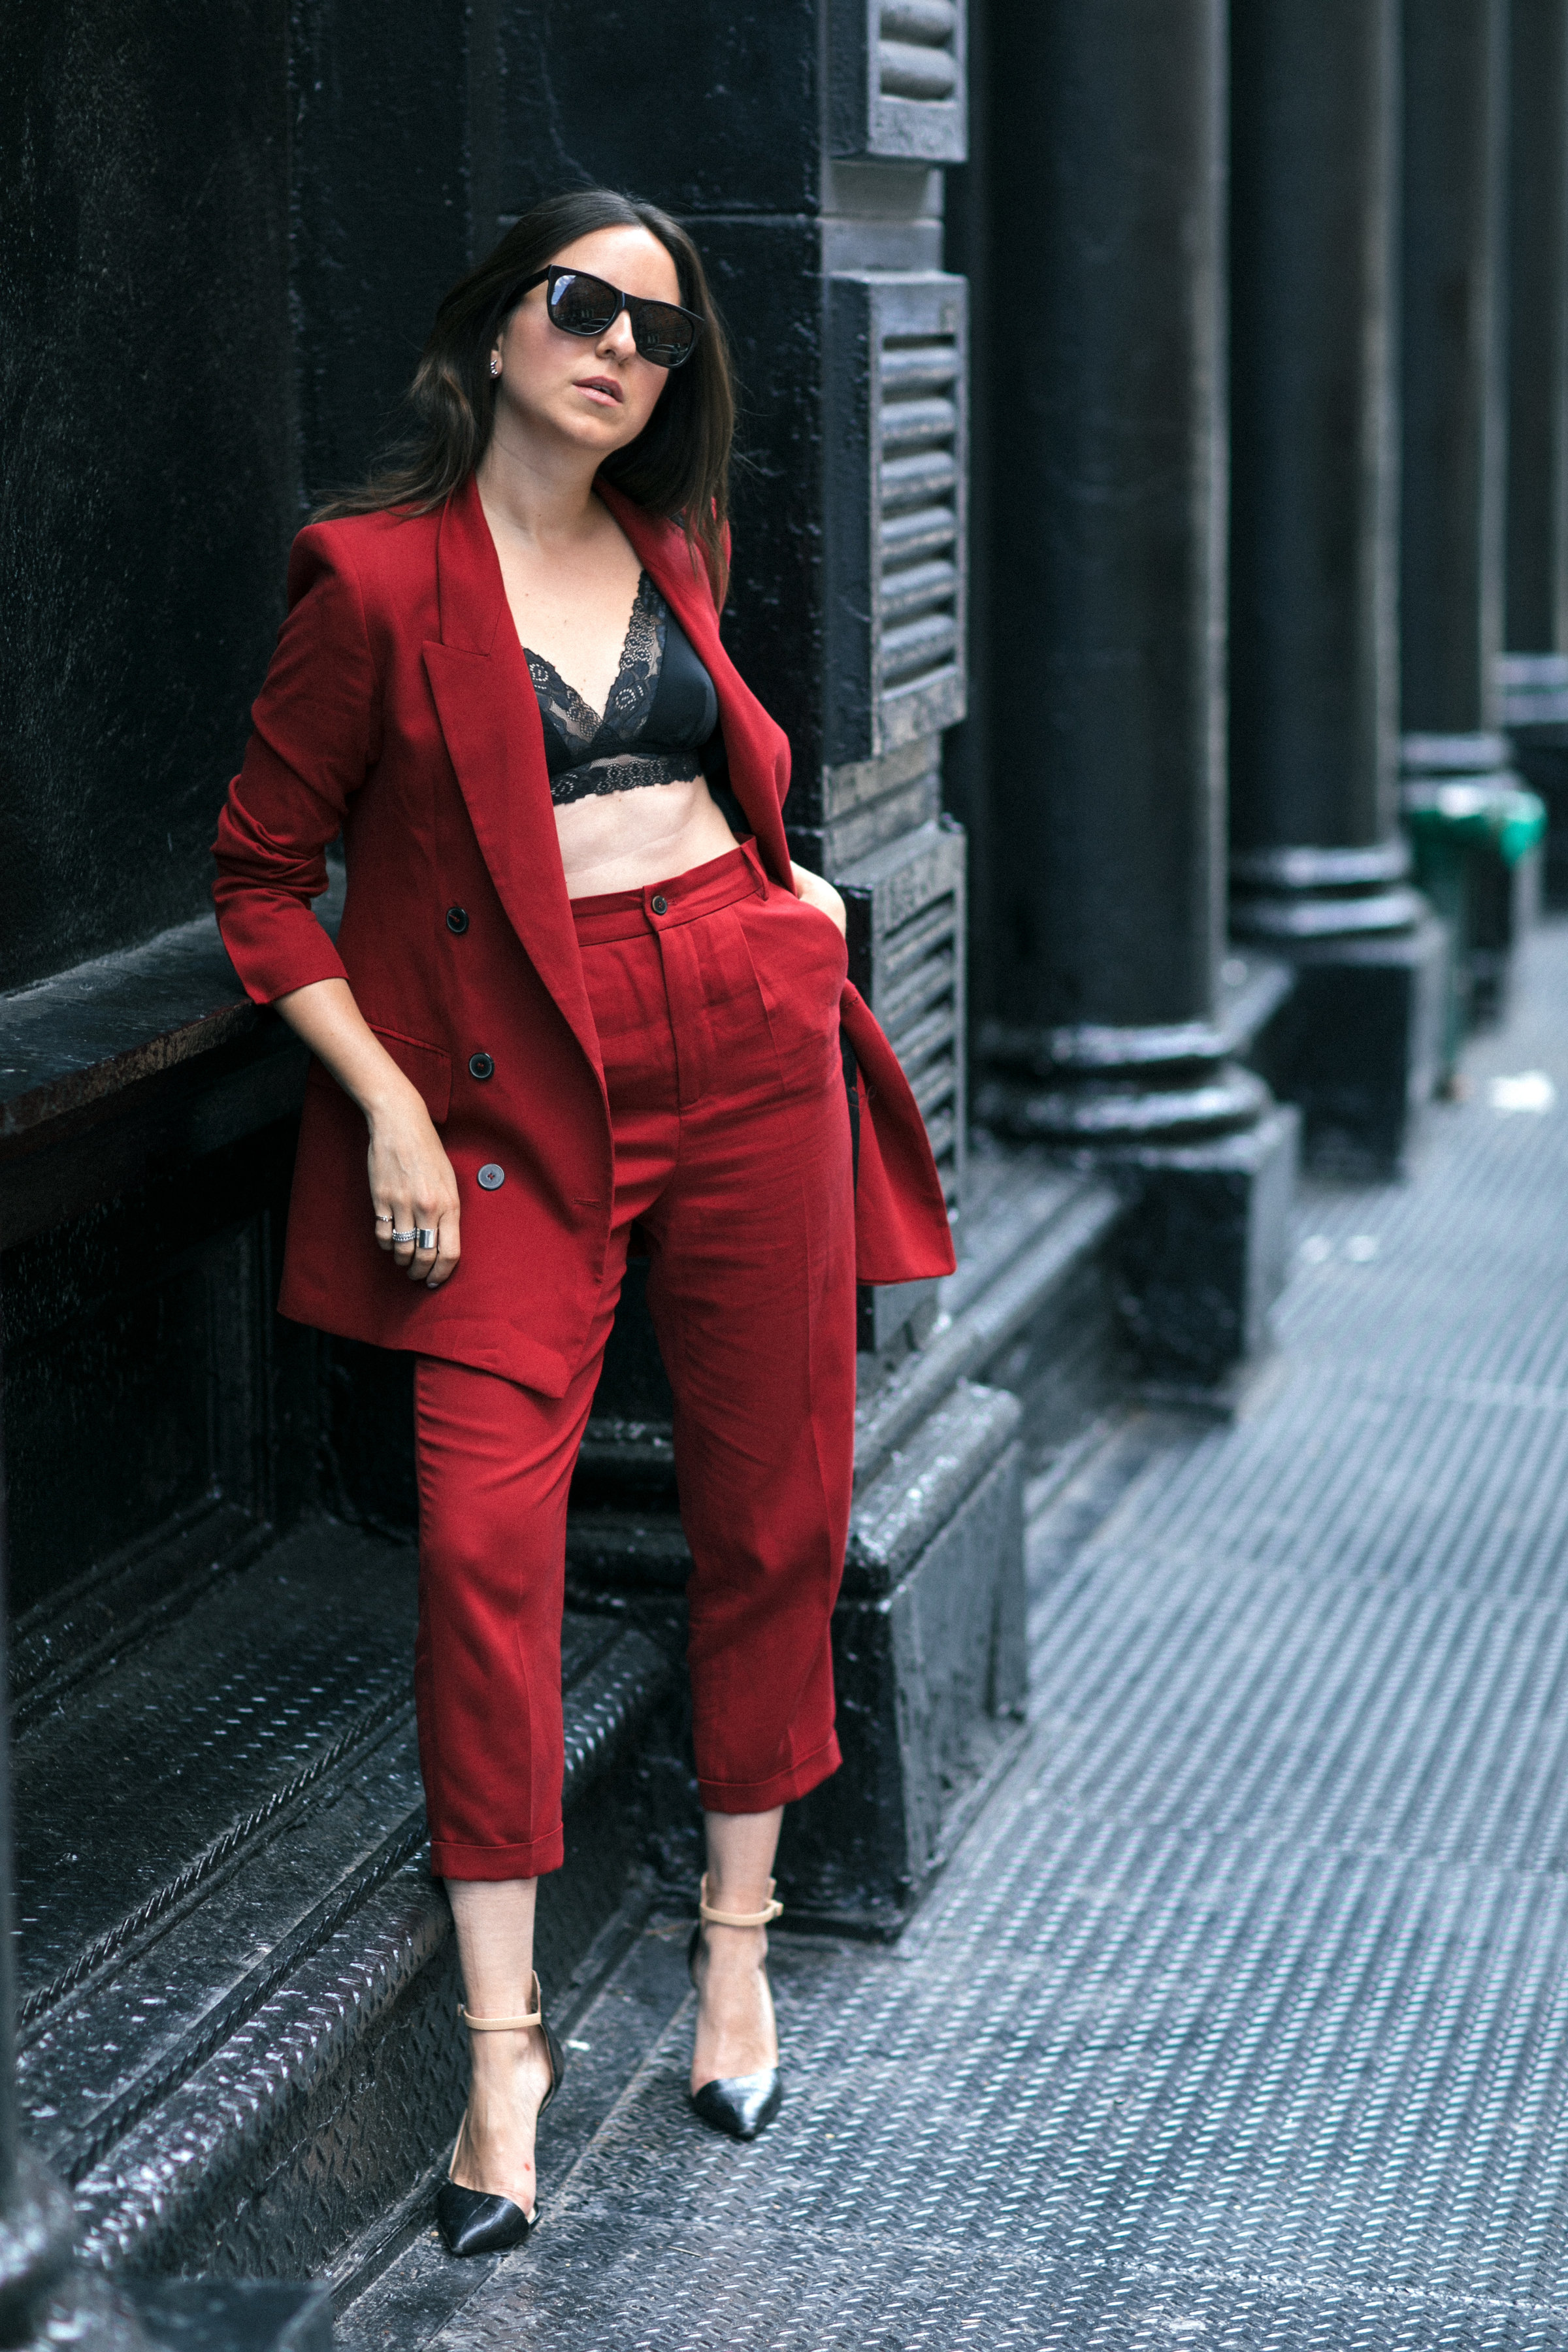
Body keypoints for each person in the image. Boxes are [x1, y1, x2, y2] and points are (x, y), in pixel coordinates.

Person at [212, 187, 954, 2257]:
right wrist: (388, 1114)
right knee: (479, 1544)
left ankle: (736, 1940)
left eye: (660, 329)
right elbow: (262, 880)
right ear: (495, 327)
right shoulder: (367, 585)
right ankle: (501, 2050)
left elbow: (724, 775)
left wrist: (790, 893)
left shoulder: (669, 546)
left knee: (779, 1499)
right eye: (583, 305)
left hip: (740, 1021)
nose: (623, 347)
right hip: (507, 1095)